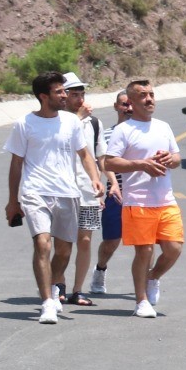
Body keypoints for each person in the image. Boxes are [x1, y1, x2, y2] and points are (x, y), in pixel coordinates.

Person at [3, 72, 106, 325]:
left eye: (64, 91)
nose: (64, 95)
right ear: (43, 96)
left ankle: (55, 284)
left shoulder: (71, 122)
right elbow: (16, 164)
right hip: (35, 191)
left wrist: (95, 178)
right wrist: (13, 200)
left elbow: (84, 154)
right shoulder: (24, 124)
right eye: (59, 91)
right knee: (43, 244)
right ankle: (48, 302)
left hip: (67, 192)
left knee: (63, 251)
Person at [101, 79, 182, 318]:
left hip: (165, 198)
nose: (149, 99)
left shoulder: (163, 126)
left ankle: (152, 277)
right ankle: (141, 301)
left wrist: (169, 159)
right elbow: (109, 161)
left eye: (151, 94)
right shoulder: (123, 130)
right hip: (137, 199)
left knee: (174, 248)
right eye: (143, 96)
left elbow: (177, 158)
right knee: (144, 251)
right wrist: (141, 165)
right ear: (132, 103)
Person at [56, 72, 116, 306]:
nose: (79, 99)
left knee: (86, 240)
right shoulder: (57, 121)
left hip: (88, 192)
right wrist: (78, 118)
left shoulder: (94, 123)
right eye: (74, 95)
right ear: (64, 96)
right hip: (63, 190)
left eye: (82, 94)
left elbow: (100, 157)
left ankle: (77, 290)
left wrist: (109, 182)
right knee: (62, 242)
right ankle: (58, 284)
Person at [90, 90, 132, 295]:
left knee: (146, 242)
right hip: (115, 195)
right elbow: (100, 163)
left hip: (141, 196)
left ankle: (148, 280)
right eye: (124, 104)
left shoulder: (146, 133)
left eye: (131, 104)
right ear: (116, 107)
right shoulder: (106, 134)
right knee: (111, 241)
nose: (128, 108)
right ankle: (100, 269)